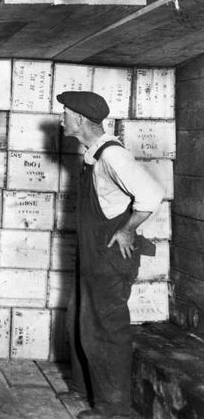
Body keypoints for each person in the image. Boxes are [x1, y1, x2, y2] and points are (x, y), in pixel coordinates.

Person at [58, 91, 164, 419]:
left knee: (107, 328)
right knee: (80, 317)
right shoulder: (93, 154)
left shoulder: (112, 156)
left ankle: (115, 409)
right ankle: (86, 387)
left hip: (109, 257)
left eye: (65, 115)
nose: (61, 119)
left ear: (78, 119)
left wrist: (128, 228)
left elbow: (151, 194)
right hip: (94, 254)